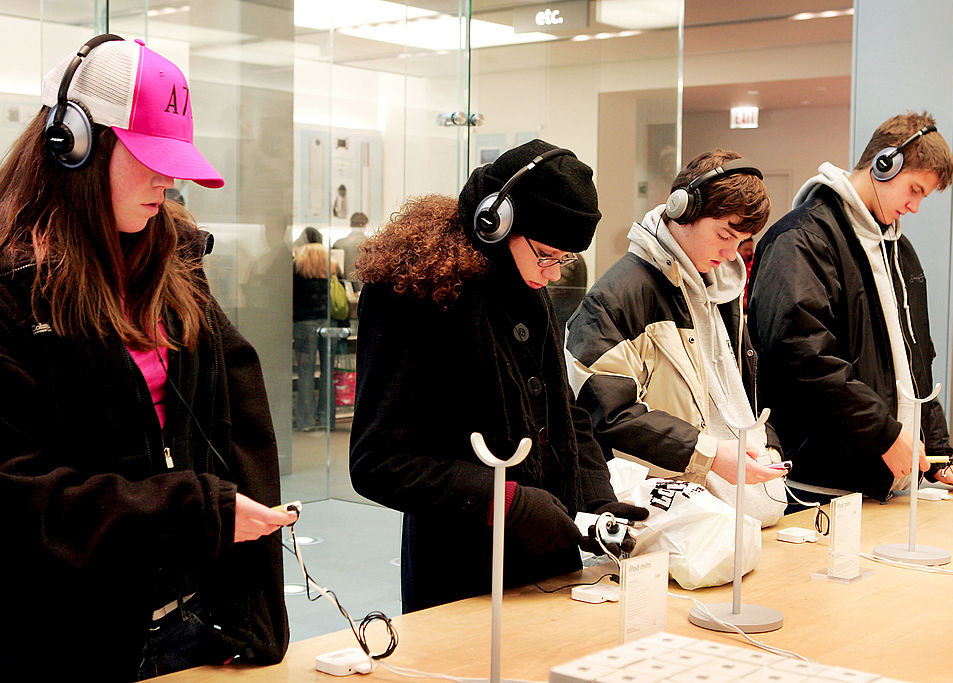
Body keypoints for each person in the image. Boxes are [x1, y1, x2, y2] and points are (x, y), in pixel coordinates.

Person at [0, 35, 295, 680]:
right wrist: (189, 513)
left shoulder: (175, 267)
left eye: (176, 160)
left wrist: (250, 610)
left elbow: (235, 432)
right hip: (69, 635)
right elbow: (16, 492)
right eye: (146, 157)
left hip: (193, 626)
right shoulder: (11, 289)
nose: (168, 178)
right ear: (72, 143)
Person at [349, 139, 648, 613]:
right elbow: (379, 462)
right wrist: (506, 501)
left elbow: (562, 409)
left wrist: (596, 499)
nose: (553, 273)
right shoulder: (412, 294)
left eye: (564, 260)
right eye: (547, 254)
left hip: (551, 559)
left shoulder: (525, 280)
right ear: (495, 221)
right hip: (462, 568)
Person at [748, 111, 953, 503]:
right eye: (915, 190)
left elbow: (916, 362)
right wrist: (884, 434)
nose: (916, 207)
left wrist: (938, 460)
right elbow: (802, 357)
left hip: (887, 485)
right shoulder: (800, 240)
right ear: (885, 164)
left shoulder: (899, 251)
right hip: (820, 488)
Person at [564, 150, 786, 526]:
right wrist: (710, 454)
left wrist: (767, 445)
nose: (732, 253)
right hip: (669, 524)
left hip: (744, 520)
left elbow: (737, 399)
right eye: (724, 235)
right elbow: (608, 415)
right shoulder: (615, 298)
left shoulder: (721, 289)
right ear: (682, 210)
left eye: (742, 240)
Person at [293, 242, 341, 430]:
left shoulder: (298, 267)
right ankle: (328, 419)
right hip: (329, 323)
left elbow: (291, 296)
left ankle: (306, 421)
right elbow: (340, 295)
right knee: (328, 372)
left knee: (305, 372)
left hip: (304, 323)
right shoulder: (333, 266)